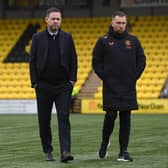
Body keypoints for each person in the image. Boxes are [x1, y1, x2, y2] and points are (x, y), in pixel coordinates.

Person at [92, 11, 146, 162]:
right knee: (110, 115)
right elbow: (96, 62)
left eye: (123, 23)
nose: (121, 25)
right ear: (112, 23)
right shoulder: (103, 41)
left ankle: (123, 152)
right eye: (118, 23)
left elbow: (141, 61)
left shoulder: (133, 41)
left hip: (128, 86)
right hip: (110, 86)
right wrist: (106, 77)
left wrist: (133, 77)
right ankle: (104, 142)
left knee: (125, 117)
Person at [29, 7, 77, 162]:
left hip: (63, 86)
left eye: (58, 19)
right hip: (43, 86)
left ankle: (65, 151)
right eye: (53, 18)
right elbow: (32, 61)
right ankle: (48, 150)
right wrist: (35, 82)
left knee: (64, 118)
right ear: (46, 20)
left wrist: (72, 81)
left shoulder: (67, 37)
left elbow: (73, 60)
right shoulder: (37, 38)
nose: (56, 21)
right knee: (44, 120)